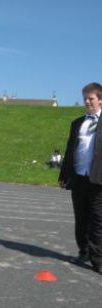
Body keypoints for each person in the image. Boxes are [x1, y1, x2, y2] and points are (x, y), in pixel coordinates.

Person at [59, 82, 102, 274]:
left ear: (100, 100)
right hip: (79, 178)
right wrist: (64, 174)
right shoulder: (77, 123)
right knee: (81, 219)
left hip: (98, 178)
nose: (87, 102)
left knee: (98, 220)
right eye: (85, 98)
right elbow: (70, 150)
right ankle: (83, 251)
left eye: (91, 98)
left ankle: (98, 259)